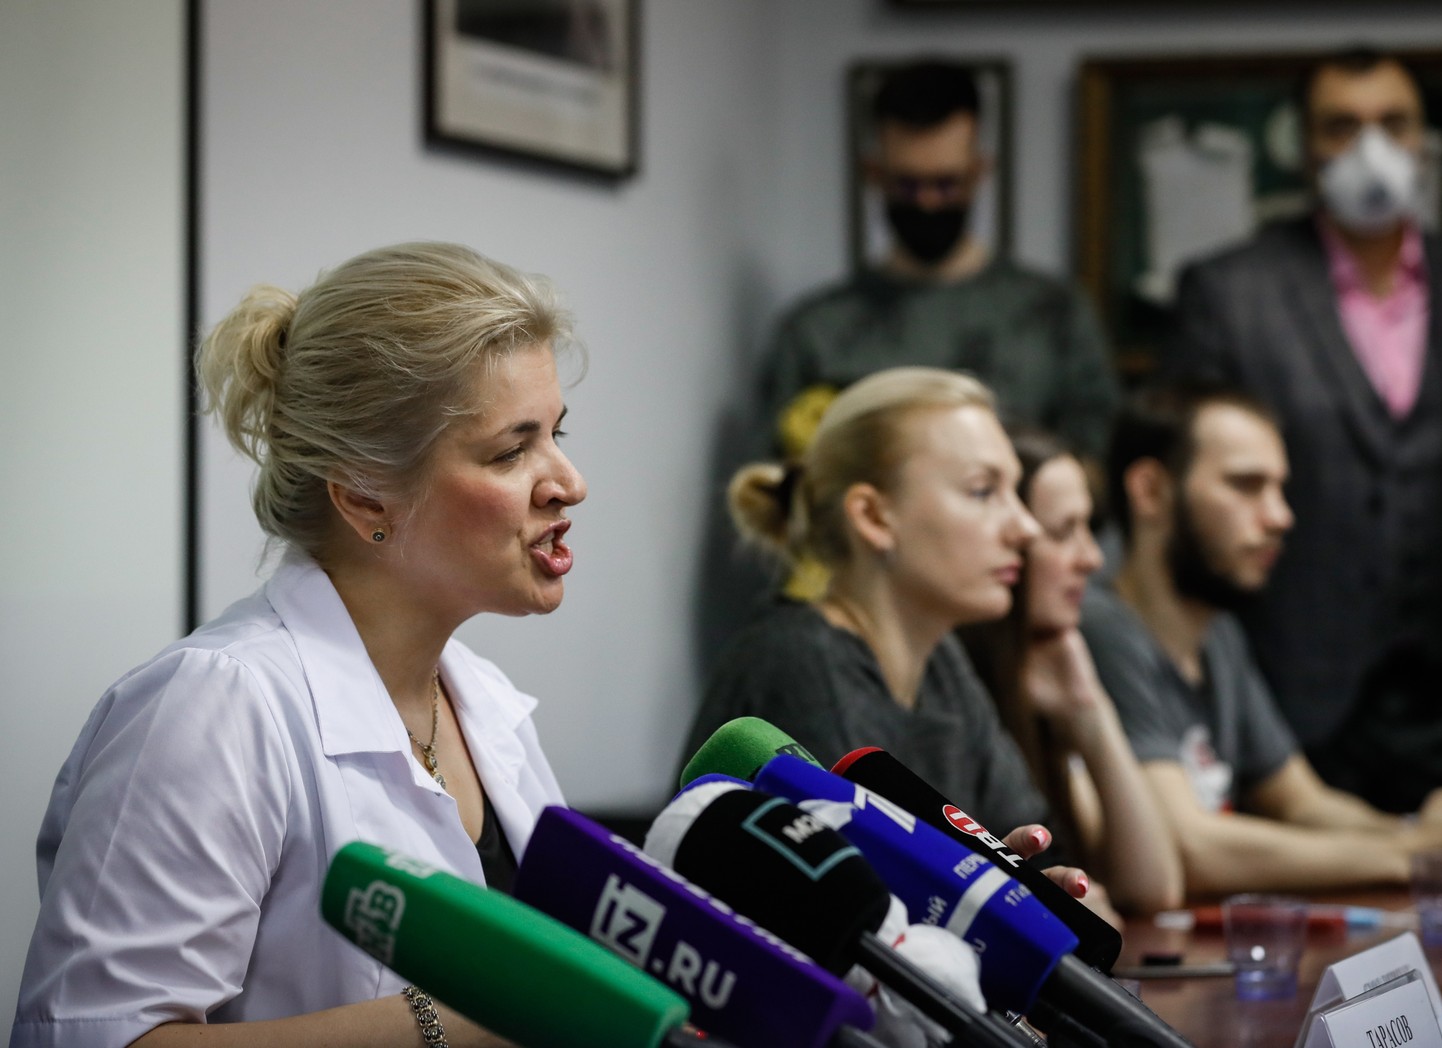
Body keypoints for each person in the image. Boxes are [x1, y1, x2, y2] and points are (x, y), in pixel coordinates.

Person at [10, 243, 587, 1048]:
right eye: (511, 450)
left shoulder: (484, 702)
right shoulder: (211, 707)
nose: (568, 481)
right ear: (362, 496)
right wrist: (439, 1024)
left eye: (557, 434)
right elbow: (89, 1040)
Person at [1169, 45, 1442, 810]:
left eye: (1392, 122)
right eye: (1341, 125)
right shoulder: (1230, 291)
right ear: (1303, 145)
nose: (1370, 147)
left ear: (1424, 139)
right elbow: (1188, 483)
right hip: (1292, 690)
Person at [684, 366, 1110, 911]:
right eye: (984, 491)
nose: (1025, 528)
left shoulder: (944, 667)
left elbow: (1049, 873)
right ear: (874, 516)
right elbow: (881, 927)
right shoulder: (800, 664)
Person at [1080, 381, 1442, 896]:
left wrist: (1421, 832)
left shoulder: (1218, 633)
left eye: (1279, 489)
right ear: (1150, 490)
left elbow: (1299, 800)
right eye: (1245, 486)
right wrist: (1408, 854)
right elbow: (1191, 846)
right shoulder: (1102, 627)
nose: (1280, 517)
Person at [760, 58, 1119, 463]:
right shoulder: (817, 332)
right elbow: (780, 490)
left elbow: (1094, 467)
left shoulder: (1056, 314)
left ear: (980, 170)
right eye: (908, 184)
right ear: (875, 173)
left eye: (946, 184)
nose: (928, 203)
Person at [958, 428, 1182, 914]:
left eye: (1089, 529)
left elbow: (1152, 886)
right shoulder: (959, 691)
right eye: (1063, 533)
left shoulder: (1049, 671)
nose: (1092, 558)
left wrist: (1092, 713)